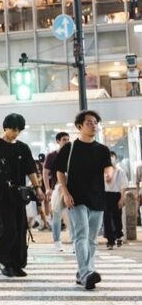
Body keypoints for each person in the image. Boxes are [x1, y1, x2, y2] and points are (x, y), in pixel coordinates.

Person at [53, 110, 112, 290]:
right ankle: (87, 273)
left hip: (97, 199)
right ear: (79, 126)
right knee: (81, 235)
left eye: (95, 122)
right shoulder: (70, 148)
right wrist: (65, 192)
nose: (93, 125)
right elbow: (59, 171)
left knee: (92, 239)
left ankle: (82, 273)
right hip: (76, 198)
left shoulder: (102, 150)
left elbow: (109, 168)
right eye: (89, 122)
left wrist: (109, 173)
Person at [0, 114, 44, 278]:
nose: (16, 132)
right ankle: (4, 260)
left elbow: (31, 170)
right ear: (5, 127)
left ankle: (17, 264)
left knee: (21, 229)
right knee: (9, 228)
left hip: (19, 195)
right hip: (1, 194)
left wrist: (38, 188)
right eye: (13, 129)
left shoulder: (23, 148)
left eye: (18, 130)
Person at [43, 131, 70, 251]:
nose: (66, 141)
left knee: (73, 216)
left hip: (72, 187)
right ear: (58, 141)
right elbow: (45, 172)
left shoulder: (72, 154)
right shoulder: (52, 156)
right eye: (64, 139)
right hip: (57, 187)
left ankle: (75, 241)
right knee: (57, 215)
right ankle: (57, 241)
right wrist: (47, 188)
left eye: (68, 139)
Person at [103, 151, 128, 250]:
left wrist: (122, 198)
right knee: (106, 219)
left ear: (116, 158)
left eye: (113, 157)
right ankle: (110, 240)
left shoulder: (120, 171)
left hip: (116, 195)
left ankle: (118, 235)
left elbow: (123, 186)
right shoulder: (103, 171)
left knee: (117, 217)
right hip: (105, 195)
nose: (111, 159)